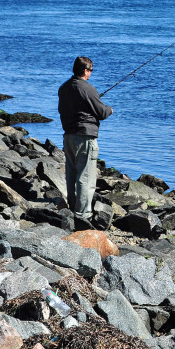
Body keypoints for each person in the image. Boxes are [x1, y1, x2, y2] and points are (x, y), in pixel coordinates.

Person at [58, 56, 112, 226]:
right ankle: (83, 214)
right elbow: (102, 112)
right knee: (85, 176)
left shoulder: (64, 88)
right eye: (90, 70)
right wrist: (109, 109)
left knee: (72, 174)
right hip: (85, 136)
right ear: (85, 70)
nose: (91, 73)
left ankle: (74, 207)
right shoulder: (87, 88)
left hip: (68, 135)